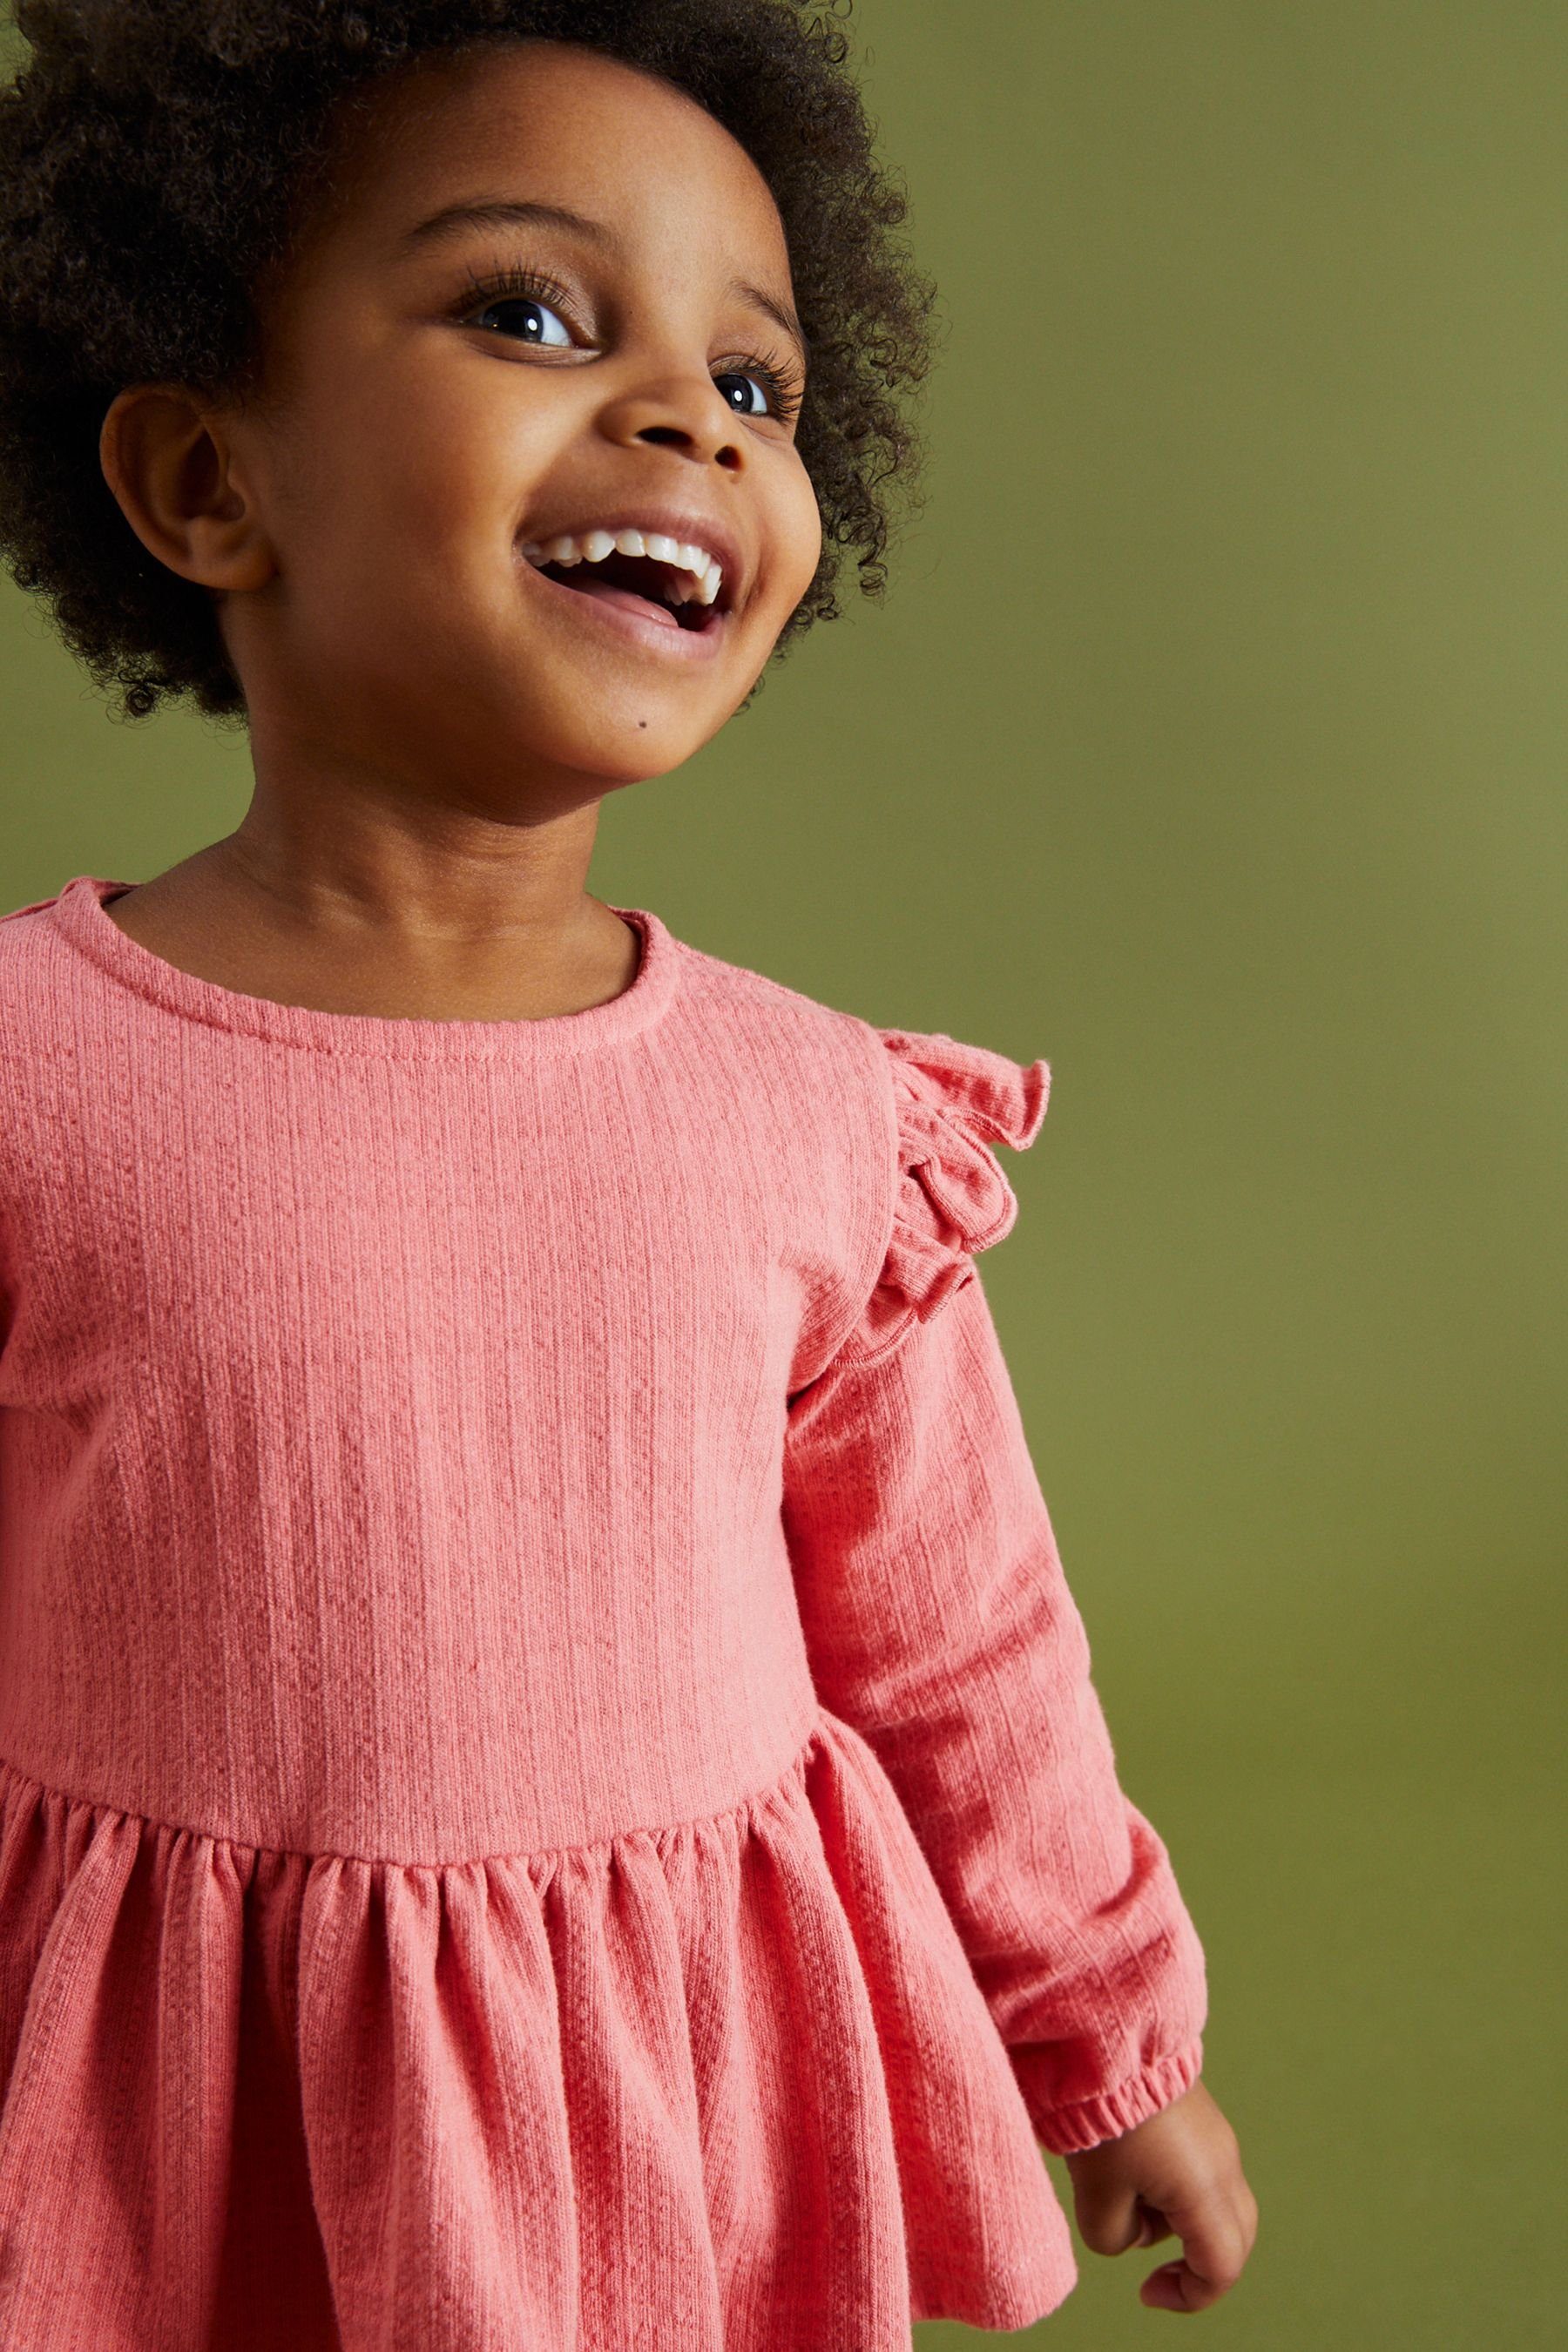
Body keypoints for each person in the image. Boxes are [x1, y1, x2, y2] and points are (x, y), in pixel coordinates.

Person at [0, 4, 1257, 2346]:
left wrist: (1104, 2033)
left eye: (759, 390)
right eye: (533, 313)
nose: (689, 415)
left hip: (679, 2085)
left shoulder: (805, 1116)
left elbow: (963, 1638)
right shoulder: (29, 1078)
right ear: (202, 483)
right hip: (181, 2112)